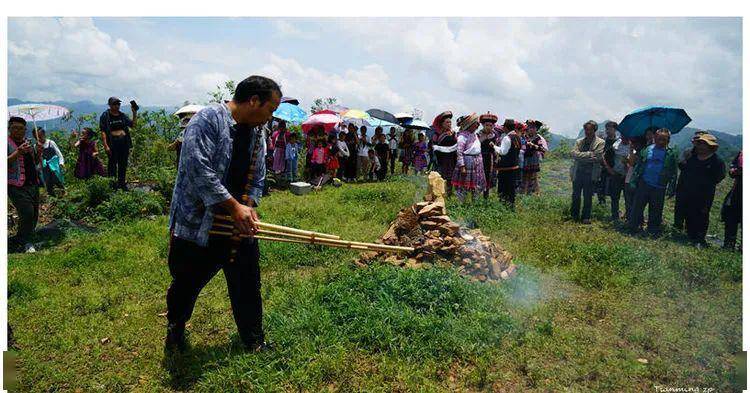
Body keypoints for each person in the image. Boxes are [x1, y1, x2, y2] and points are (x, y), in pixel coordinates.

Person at [165, 75, 281, 352]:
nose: (271, 117)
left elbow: (257, 178)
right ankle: (175, 332)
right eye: (270, 109)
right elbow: (197, 169)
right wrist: (233, 206)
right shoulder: (207, 120)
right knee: (186, 284)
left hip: (237, 225)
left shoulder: (257, 132)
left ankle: (254, 341)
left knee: (247, 282)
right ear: (254, 101)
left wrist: (248, 207)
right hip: (198, 223)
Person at [628, 128, 678, 237]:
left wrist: (671, 188)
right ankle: (633, 227)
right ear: (655, 138)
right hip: (644, 183)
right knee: (637, 207)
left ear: (668, 140)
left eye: (664, 139)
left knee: (656, 210)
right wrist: (633, 181)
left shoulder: (671, 153)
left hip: (660, 186)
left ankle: (653, 231)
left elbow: (674, 172)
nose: (661, 141)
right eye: (659, 138)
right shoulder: (647, 150)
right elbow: (638, 167)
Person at [678, 133, 726, 247]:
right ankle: (690, 235)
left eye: (703, 144)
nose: (700, 146)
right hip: (688, 191)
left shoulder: (717, 161)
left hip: (705, 194)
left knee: (702, 214)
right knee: (689, 212)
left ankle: (700, 239)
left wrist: (705, 183)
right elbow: (684, 167)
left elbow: (719, 176)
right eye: (699, 143)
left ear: (710, 146)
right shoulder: (692, 157)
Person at [8, 116, 40, 253]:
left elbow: (35, 162)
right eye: (14, 128)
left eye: (21, 128)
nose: (18, 131)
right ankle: (26, 242)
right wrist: (18, 152)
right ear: (9, 129)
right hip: (15, 185)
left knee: (34, 214)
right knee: (27, 212)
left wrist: (39, 152)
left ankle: (24, 238)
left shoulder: (28, 143)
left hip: (32, 183)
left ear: (25, 130)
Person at [673, 130, 710, 231]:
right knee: (679, 208)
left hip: (699, 190)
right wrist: (686, 160)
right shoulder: (687, 152)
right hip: (683, 186)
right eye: (697, 140)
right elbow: (680, 164)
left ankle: (690, 232)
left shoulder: (708, 156)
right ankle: (677, 229)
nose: (698, 143)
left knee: (694, 211)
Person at [570, 120, 605, 224]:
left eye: (589, 129)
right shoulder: (579, 141)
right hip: (578, 172)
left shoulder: (600, 142)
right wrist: (590, 154)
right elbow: (573, 153)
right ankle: (574, 215)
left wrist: (580, 156)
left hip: (591, 173)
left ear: (594, 130)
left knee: (588, 196)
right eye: (586, 129)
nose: (587, 131)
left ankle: (586, 217)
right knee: (575, 195)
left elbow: (598, 157)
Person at [100, 97, 138, 190]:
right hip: (113, 144)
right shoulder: (106, 115)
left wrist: (134, 112)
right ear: (110, 105)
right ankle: (112, 186)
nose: (117, 106)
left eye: (118, 104)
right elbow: (103, 131)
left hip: (124, 143)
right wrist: (106, 146)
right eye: (115, 104)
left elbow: (133, 125)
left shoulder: (122, 115)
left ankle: (122, 184)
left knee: (123, 164)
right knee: (112, 165)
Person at [451, 114, 485, 203]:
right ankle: (460, 204)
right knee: (463, 185)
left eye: (478, 124)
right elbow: (459, 152)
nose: (478, 125)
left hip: (477, 163)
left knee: (476, 184)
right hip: (467, 164)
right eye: (476, 123)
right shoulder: (462, 136)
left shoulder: (474, 135)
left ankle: (475, 203)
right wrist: (462, 166)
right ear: (470, 124)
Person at [492, 119, 522, 207]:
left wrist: (494, 146)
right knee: (511, 189)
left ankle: (503, 206)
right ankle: (511, 206)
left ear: (505, 128)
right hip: (514, 167)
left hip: (506, 168)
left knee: (503, 188)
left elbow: (503, 152)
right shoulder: (517, 137)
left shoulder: (507, 138)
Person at [604, 135, 631, 223]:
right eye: (623, 136)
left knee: (628, 198)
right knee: (615, 197)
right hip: (616, 174)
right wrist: (609, 169)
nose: (624, 139)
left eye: (626, 137)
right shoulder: (615, 145)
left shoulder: (633, 146)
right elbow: (605, 156)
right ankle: (615, 216)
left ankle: (629, 217)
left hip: (628, 176)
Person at [431, 111, 458, 196]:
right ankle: (439, 194)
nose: (449, 124)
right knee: (440, 177)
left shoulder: (453, 134)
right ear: (442, 124)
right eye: (447, 122)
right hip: (441, 159)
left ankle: (449, 193)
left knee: (450, 177)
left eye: (450, 122)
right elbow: (433, 146)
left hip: (452, 159)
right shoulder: (437, 134)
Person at [35, 128, 65, 197]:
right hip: (45, 166)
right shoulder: (36, 146)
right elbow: (38, 159)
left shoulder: (50, 143)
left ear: (44, 135)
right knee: (48, 181)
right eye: (37, 137)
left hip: (54, 165)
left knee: (57, 179)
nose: (39, 138)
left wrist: (61, 163)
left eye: (40, 136)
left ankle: (63, 194)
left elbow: (59, 153)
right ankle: (52, 196)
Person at [721, 151, 742, 250]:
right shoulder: (742, 153)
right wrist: (733, 170)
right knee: (730, 216)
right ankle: (729, 244)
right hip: (737, 190)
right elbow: (733, 167)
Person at [521, 120, 548, 195]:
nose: (531, 129)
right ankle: (524, 192)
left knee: (534, 176)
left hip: (533, 158)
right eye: (530, 127)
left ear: (536, 129)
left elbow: (541, 148)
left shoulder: (538, 138)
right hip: (525, 157)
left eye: (533, 128)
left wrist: (533, 145)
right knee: (525, 176)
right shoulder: (524, 136)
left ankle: (537, 193)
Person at [478, 113, 499, 199]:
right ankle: (477, 195)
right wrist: (484, 139)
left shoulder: (494, 135)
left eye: (491, 125)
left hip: (490, 158)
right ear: (483, 125)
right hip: (480, 157)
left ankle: (486, 195)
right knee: (479, 175)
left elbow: (497, 147)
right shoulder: (478, 134)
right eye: (486, 125)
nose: (488, 127)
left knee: (488, 176)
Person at [597, 121, 619, 204]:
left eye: (610, 128)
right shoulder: (603, 142)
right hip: (603, 168)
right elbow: (600, 154)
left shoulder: (618, 142)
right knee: (601, 188)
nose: (608, 130)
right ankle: (601, 206)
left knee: (614, 190)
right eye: (607, 128)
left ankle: (614, 210)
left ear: (615, 130)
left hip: (614, 168)